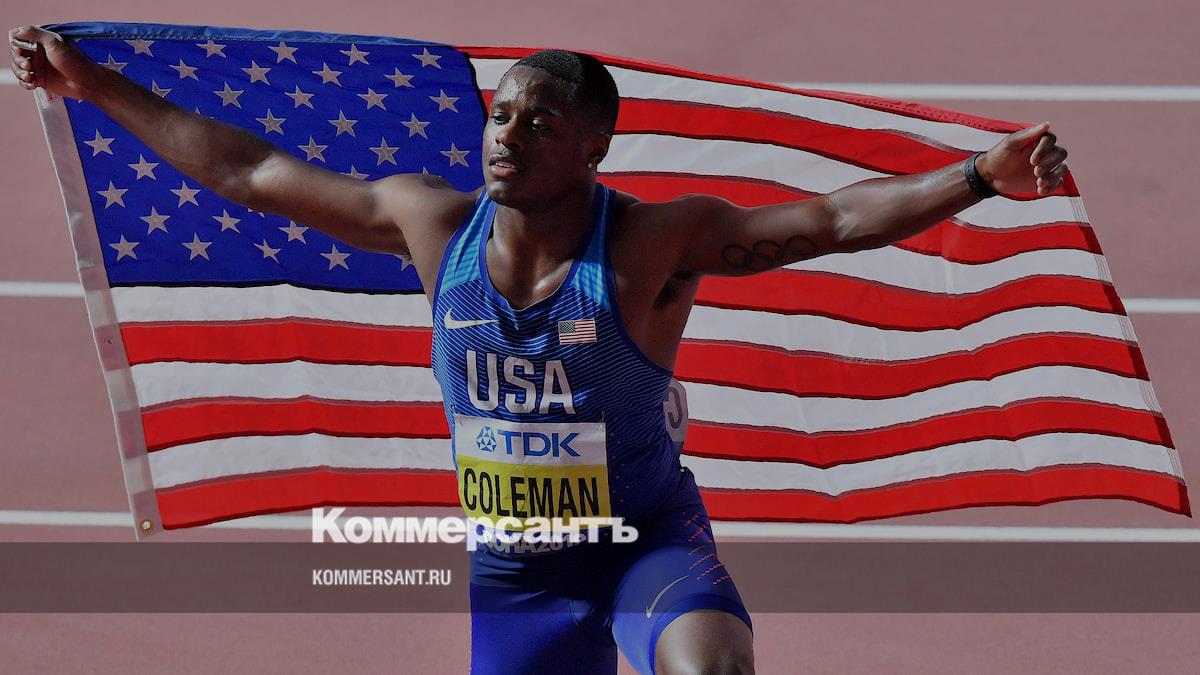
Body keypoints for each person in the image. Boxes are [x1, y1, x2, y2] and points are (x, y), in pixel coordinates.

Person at [10, 25, 1069, 675]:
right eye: (502, 115)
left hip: (644, 545)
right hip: (517, 573)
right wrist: (94, 85)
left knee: (712, 670)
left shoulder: (653, 244)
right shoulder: (431, 224)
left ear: (594, 147)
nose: (507, 136)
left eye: (540, 124)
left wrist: (978, 176)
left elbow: (831, 221)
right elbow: (249, 173)